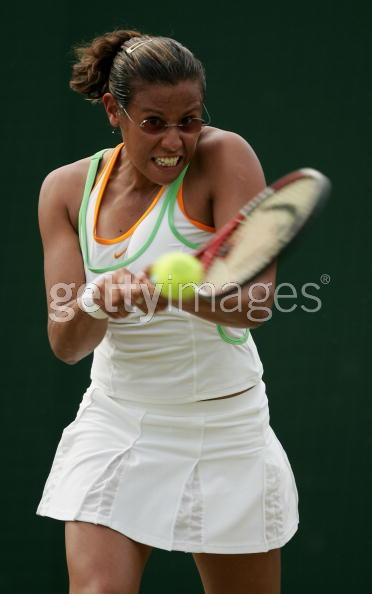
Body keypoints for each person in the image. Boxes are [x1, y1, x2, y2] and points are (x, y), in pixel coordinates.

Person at [36, 28, 299, 594]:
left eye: (190, 120)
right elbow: (66, 342)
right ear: (114, 110)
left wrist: (170, 290)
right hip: (119, 423)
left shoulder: (226, 156)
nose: (175, 142)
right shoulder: (64, 191)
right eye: (153, 122)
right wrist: (96, 302)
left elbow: (255, 303)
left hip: (227, 431)